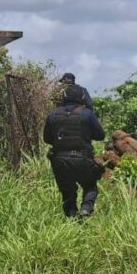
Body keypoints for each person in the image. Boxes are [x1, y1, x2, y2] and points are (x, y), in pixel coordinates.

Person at [43, 84, 105, 218]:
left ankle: (71, 218)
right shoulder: (87, 114)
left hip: (60, 161)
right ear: (82, 98)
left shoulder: (52, 114)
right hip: (83, 160)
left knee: (67, 192)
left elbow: (47, 139)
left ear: (63, 97)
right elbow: (101, 135)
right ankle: (86, 209)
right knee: (90, 187)